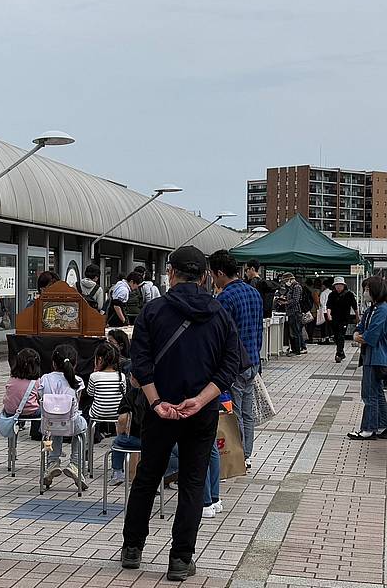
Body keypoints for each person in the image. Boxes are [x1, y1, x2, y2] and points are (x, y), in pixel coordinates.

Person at [121, 245, 240, 582]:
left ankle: (132, 548)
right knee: (191, 483)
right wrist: (201, 401)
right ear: (204, 276)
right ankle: (180, 558)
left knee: (147, 476)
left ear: (171, 273)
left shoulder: (153, 311)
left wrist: (158, 403)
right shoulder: (219, 314)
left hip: (160, 410)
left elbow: (140, 365)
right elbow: (230, 366)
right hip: (200, 412)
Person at [209, 250, 263, 470]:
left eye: (213, 274)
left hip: (234, 364)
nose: (213, 279)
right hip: (253, 360)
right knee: (248, 413)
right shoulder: (254, 293)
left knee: (236, 412)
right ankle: (247, 454)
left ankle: (238, 454)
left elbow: (220, 335)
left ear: (220, 272)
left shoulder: (225, 298)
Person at [40, 344, 88, 490]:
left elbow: (39, 397)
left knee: (55, 426)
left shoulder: (44, 378)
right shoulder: (77, 380)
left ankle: (52, 463)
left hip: (48, 424)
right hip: (71, 424)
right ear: (74, 363)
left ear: (53, 363)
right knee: (82, 428)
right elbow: (77, 403)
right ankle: (75, 464)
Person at [349, 276, 387, 440]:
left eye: (367, 289)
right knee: (377, 393)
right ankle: (381, 425)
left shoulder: (382, 310)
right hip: (372, 356)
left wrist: (358, 337)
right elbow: (360, 327)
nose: (365, 292)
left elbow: (370, 336)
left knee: (369, 393)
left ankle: (368, 429)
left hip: (376, 356)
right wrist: (359, 334)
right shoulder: (373, 309)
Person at [86, 342, 125, 444]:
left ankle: (89, 443)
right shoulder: (122, 376)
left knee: (88, 410)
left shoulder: (94, 376)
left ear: (99, 359)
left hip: (98, 413)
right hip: (117, 413)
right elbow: (124, 393)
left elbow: (90, 393)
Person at [2, 347, 41, 425]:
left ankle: (19, 425)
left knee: (20, 400)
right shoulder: (36, 381)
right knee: (43, 409)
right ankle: (36, 433)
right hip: (31, 412)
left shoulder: (12, 379)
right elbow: (39, 397)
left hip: (9, 411)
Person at [327, 276, 359, 363]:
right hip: (334, 318)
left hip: (344, 319)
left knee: (341, 335)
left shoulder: (349, 294)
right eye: (337, 285)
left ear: (344, 285)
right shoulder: (331, 294)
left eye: (340, 285)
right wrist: (329, 314)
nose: (338, 287)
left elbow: (355, 307)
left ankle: (338, 354)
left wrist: (357, 316)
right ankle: (342, 353)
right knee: (336, 336)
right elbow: (329, 306)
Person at [276, 273, 305, 356]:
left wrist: (285, 302)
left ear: (290, 279)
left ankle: (297, 350)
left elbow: (295, 300)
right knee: (293, 331)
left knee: (295, 331)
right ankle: (294, 349)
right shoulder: (292, 287)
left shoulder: (296, 287)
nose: (285, 283)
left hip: (295, 312)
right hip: (291, 312)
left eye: (285, 281)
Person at [318, 278, 333, 344]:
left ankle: (325, 338)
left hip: (324, 311)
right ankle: (331, 338)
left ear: (324, 285)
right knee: (330, 325)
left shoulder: (323, 293)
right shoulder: (331, 292)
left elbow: (321, 302)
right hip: (331, 311)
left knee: (324, 325)